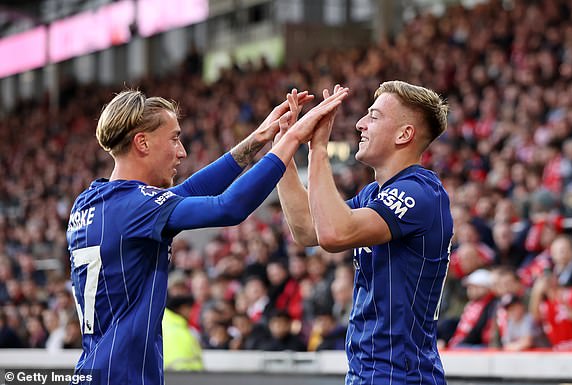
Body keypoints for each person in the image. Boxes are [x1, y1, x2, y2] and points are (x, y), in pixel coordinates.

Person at [66, 87, 348, 384]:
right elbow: (229, 208)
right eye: (174, 138)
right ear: (142, 143)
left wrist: (258, 139)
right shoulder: (137, 207)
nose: (182, 151)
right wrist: (290, 140)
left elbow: (188, 191)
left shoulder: (91, 202)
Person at [278, 81, 452, 384]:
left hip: (401, 377)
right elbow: (308, 229)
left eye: (374, 116)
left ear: (404, 134)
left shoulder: (421, 193)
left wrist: (319, 148)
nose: (360, 124)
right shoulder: (375, 194)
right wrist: (284, 147)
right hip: (368, 373)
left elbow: (333, 234)